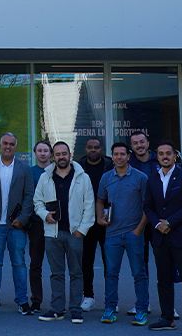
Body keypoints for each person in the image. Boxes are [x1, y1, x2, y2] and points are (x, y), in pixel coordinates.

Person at [33, 141, 94, 324]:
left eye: (64, 153)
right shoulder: (46, 177)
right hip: (52, 233)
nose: (61, 157)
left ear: (70, 154)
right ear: (53, 156)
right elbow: (37, 202)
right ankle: (57, 309)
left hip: (75, 233)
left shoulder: (83, 177)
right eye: (58, 154)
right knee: (56, 273)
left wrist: (82, 230)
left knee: (76, 273)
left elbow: (89, 206)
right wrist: (45, 215)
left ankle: (76, 309)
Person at [144, 142, 182, 335]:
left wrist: (170, 222)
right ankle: (166, 318)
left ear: (175, 156)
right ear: (157, 157)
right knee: (163, 280)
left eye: (168, 153)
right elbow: (147, 207)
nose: (165, 156)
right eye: (161, 154)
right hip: (160, 237)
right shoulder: (152, 179)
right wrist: (158, 224)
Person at [96, 142, 150, 326]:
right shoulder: (106, 177)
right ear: (112, 157)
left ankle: (142, 310)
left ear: (128, 156)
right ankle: (110, 309)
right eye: (115, 154)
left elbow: (147, 207)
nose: (119, 157)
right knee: (111, 273)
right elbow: (100, 200)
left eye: (122, 154)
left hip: (133, 234)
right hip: (112, 234)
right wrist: (99, 218)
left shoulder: (140, 178)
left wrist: (138, 230)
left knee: (139, 273)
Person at [0, 132, 34, 315]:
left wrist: (23, 219)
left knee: (19, 263)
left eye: (12, 144)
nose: (8, 146)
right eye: (5, 143)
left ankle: (22, 301)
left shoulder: (24, 168)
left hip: (17, 225)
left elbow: (29, 196)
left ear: (15, 146)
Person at [79, 137, 113, 312]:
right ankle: (88, 295)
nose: (93, 150)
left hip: (107, 220)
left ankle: (110, 297)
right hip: (87, 220)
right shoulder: (78, 167)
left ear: (101, 149)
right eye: (90, 147)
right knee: (87, 260)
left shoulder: (110, 165)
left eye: (97, 147)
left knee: (110, 261)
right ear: (86, 149)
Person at [25, 140, 53, 314]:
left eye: (46, 151)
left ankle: (59, 301)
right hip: (36, 224)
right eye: (39, 150)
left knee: (58, 265)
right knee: (35, 264)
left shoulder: (57, 171)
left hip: (56, 224)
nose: (43, 153)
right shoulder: (30, 172)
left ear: (50, 153)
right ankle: (36, 300)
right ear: (35, 153)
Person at [129, 131, 160, 275]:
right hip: (137, 218)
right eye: (135, 143)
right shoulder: (129, 164)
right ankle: (143, 297)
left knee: (163, 259)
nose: (139, 145)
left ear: (148, 143)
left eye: (142, 142)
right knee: (141, 261)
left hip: (159, 217)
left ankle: (165, 296)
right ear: (131, 146)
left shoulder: (160, 160)